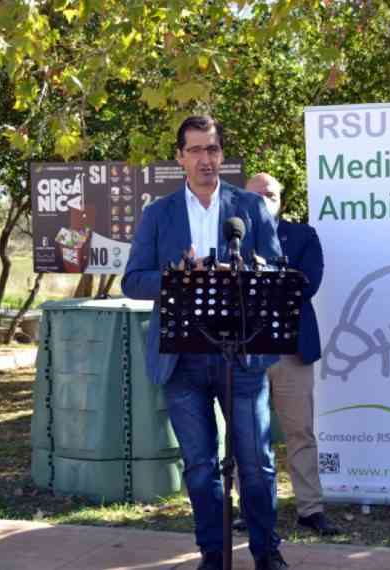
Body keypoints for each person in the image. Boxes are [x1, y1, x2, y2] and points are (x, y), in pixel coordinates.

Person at [122, 116, 287, 570]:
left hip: (243, 357)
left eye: (212, 150)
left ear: (221, 155)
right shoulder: (159, 214)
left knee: (256, 465)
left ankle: (266, 553)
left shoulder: (249, 209)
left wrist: (246, 270)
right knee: (200, 467)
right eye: (195, 151)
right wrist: (177, 279)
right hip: (183, 359)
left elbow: (277, 271)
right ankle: (213, 556)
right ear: (179, 158)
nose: (205, 160)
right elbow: (132, 282)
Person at [244, 173, 341, 536]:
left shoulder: (303, 236)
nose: (263, 201)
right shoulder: (231, 238)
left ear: (281, 200)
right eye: (255, 196)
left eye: (269, 194)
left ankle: (309, 509)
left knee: (300, 431)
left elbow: (306, 284)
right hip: (246, 351)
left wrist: (264, 274)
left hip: (291, 350)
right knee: (248, 435)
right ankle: (251, 508)